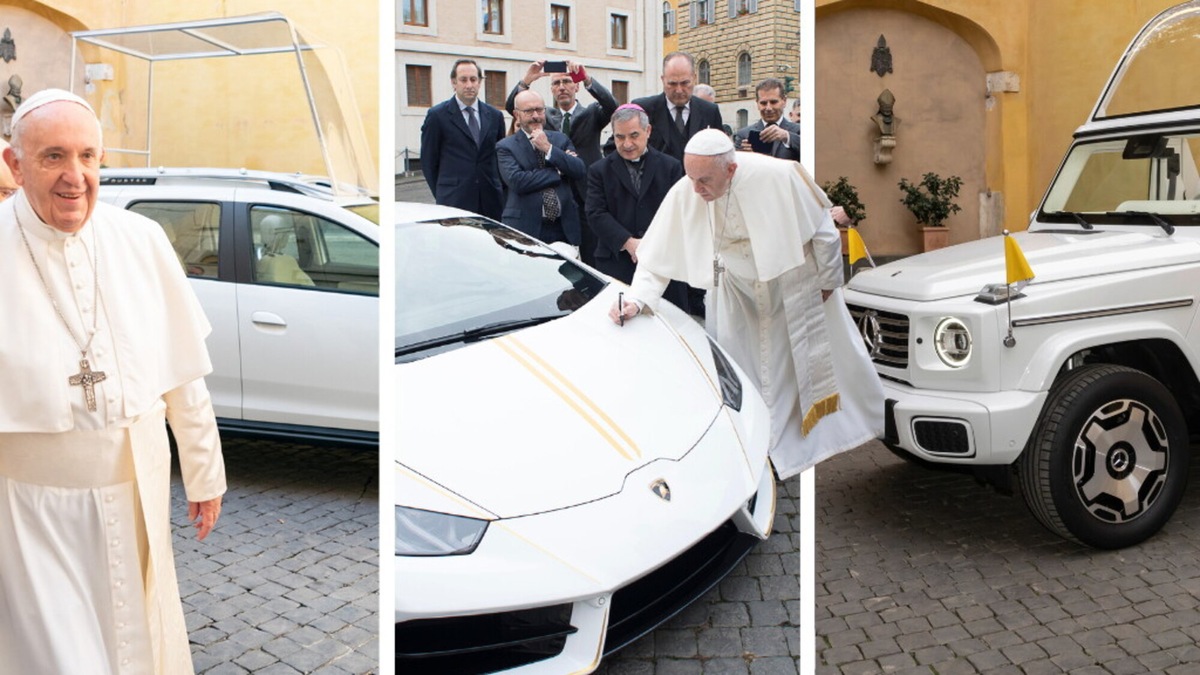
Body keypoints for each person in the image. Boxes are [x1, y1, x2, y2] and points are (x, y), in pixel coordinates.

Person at [0, 89, 226, 672]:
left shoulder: (140, 239)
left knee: (136, 648)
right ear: (15, 163)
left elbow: (183, 372)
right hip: (26, 512)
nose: (75, 176)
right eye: (53, 157)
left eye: (88, 157)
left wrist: (204, 472)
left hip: (134, 495)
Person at [610, 129, 884, 477]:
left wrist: (828, 282)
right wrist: (636, 300)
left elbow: (824, 232)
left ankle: (804, 443)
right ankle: (756, 442)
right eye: (691, 178)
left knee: (789, 372)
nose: (696, 190)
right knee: (742, 371)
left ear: (731, 169)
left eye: (704, 180)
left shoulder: (780, 176)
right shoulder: (690, 188)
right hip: (736, 291)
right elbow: (655, 256)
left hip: (789, 285)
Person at [506, 60, 618, 264]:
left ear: (575, 86)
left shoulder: (592, 113)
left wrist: (586, 78)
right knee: (562, 257)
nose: (562, 87)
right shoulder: (544, 115)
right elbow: (513, 107)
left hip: (587, 192)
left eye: (567, 81)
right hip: (557, 193)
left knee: (592, 252)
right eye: (556, 83)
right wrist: (527, 80)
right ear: (551, 89)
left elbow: (612, 106)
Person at [585, 104, 689, 311]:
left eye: (633, 135)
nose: (627, 144)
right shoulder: (599, 170)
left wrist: (651, 244)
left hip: (663, 261)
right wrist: (629, 242)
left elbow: (678, 213)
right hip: (616, 262)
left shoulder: (671, 167)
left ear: (647, 131)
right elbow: (595, 213)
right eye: (620, 137)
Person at [497, 89, 587, 250]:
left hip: (563, 228)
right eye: (529, 111)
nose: (536, 116)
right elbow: (518, 181)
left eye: (539, 110)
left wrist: (549, 148)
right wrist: (558, 171)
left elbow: (579, 169)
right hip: (525, 228)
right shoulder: (505, 146)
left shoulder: (559, 139)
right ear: (517, 115)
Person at [420, 58, 505, 220]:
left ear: (480, 82)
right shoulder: (437, 116)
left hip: (491, 200)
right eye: (463, 80)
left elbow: (499, 157)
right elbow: (428, 161)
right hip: (454, 200)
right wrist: (442, 192)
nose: (469, 85)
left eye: (473, 79)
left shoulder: (494, 116)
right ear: (454, 82)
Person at [630, 51, 723, 162]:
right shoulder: (642, 110)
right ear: (663, 80)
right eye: (672, 84)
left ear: (694, 78)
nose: (679, 90)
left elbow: (721, 151)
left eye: (685, 83)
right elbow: (617, 148)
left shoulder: (710, 111)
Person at [733, 78, 801, 162]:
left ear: (784, 101)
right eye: (763, 103)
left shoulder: (798, 131)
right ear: (757, 103)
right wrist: (744, 157)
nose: (768, 108)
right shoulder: (743, 135)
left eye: (773, 102)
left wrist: (786, 137)